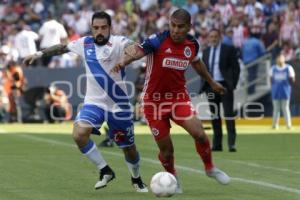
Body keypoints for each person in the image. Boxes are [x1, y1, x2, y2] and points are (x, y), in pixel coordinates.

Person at [23, 11, 148, 192]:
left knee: (129, 148)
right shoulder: (85, 43)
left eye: (103, 28)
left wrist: (128, 55)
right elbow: (61, 47)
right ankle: (105, 170)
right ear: (91, 28)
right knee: (79, 134)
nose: (99, 31)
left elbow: (134, 47)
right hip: (94, 102)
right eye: (96, 28)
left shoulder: (119, 42)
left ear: (109, 28)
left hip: (118, 105)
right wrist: (39, 53)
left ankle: (136, 179)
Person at [111, 9, 230, 193]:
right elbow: (137, 51)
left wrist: (212, 82)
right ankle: (173, 178)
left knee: (199, 133)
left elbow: (197, 63)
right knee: (167, 151)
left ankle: (210, 168)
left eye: (180, 27)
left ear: (189, 27)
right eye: (172, 25)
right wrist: (123, 61)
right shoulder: (157, 40)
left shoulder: (192, 45)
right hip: (153, 102)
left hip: (178, 98)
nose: (175, 30)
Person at [201, 29, 240, 152]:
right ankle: (217, 145)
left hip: (225, 85)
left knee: (228, 115)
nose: (213, 39)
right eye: (211, 37)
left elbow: (236, 68)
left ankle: (231, 144)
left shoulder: (228, 49)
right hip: (211, 86)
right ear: (208, 38)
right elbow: (203, 70)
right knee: (214, 115)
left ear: (220, 37)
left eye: (215, 36)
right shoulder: (206, 52)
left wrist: (232, 85)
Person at [270, 53, 295, 129]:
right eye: (278, 58)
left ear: (284, 59)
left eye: (281, 58)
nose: (280, 59)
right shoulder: (273, 68)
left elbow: (292, 79)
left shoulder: (288, 68)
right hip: (276, 92)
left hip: (285, 91)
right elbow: (271, 79)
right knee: (276, 109)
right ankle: (274, 125)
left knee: (286, 108)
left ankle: (288, 125)